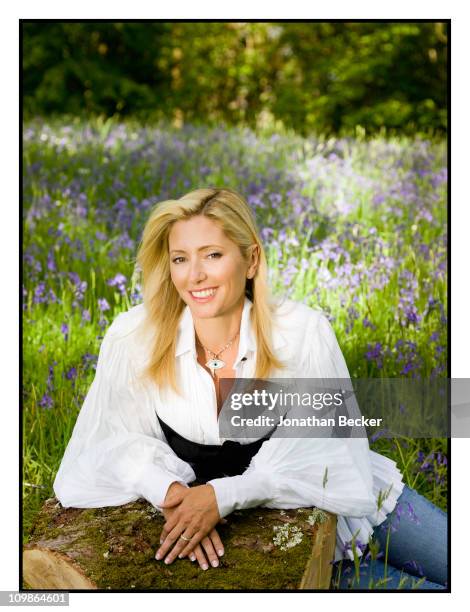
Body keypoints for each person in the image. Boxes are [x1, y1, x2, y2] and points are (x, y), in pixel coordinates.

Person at [53, 188, 447, 589]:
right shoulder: (134, 337)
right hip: (286, 549)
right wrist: (171, 493)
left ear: (251, 260)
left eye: (213, 255)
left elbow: (332, 450)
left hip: (345, 510)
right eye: (180, 259)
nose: (195, 276)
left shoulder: (301, 333)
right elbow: (100, 447)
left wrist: (223, 496)